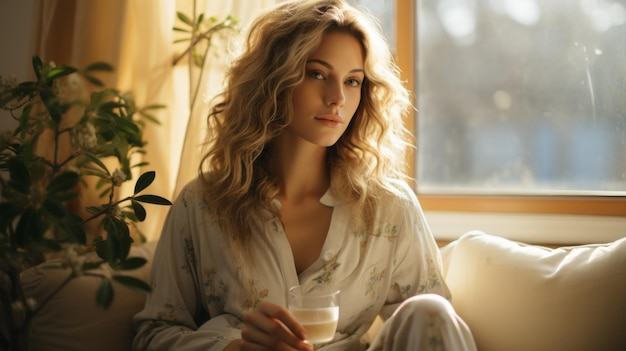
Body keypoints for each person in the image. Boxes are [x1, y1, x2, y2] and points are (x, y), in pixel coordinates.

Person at [133, 0, 477, 350]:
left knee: (430, 310)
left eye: (353, 81)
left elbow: (432, 331)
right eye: (317, 74)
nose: (337, 98)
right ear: (273, 81)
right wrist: (232, 349)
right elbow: (153, 333)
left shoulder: (390, 208)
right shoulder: (202, 203)